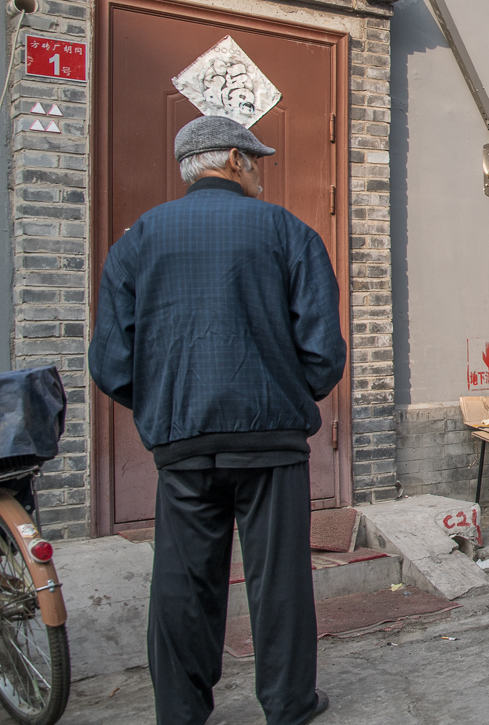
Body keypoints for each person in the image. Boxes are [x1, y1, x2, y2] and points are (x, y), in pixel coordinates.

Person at [89, 116, 344, 725]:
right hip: (271, 438)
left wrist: (165, 404)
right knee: (278, 577)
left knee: (181, 582)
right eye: (255, 160)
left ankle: (180, 711)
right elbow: (323, 351)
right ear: (233, 159)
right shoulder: (289, 232)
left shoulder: (138, 240)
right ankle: (288, 704)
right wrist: (286, 390)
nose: (260, 171)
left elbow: (110, 362)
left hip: (183, 440)